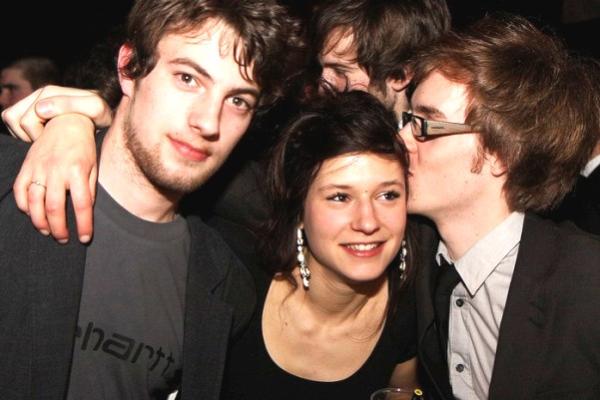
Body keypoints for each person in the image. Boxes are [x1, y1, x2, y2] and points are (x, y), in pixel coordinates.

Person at [0, 0, 303, 399]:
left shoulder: (224, 287)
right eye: (188, 78)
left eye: (237, 101)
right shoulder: (11, 183)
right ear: (129, 68)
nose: (208, 122)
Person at [398, 15, 600, 400]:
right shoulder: (409, 254)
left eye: (425, 124)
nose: (402, 138)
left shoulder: (587, 284)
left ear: (500, 153)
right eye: (408, 120)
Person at [220, 91, 418, 399]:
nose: (368, 222)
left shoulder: (411, 315)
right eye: (340, 197)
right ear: (299, 210)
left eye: (388, 195)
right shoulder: (234, 284)